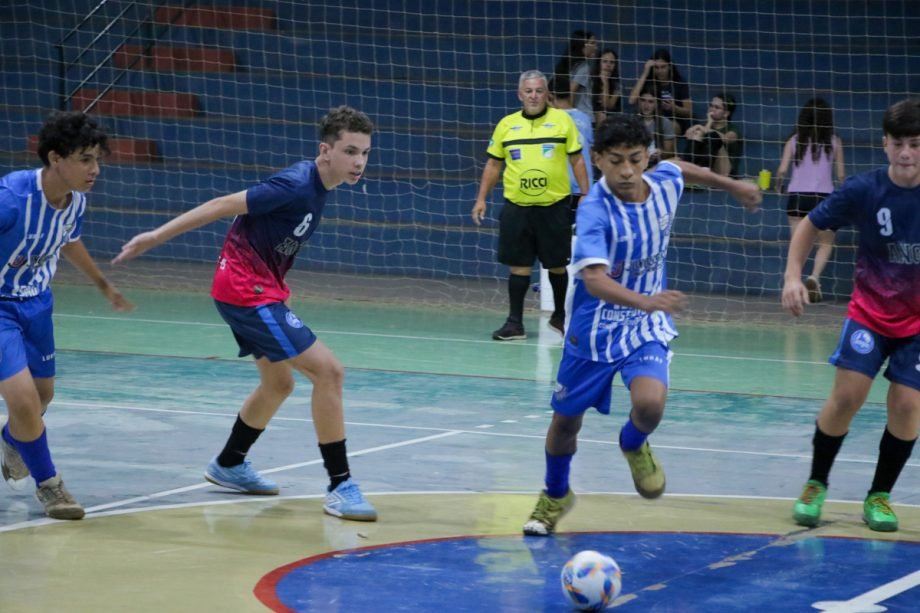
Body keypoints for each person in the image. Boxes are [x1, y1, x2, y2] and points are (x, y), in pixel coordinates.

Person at [113, 106, 378, 522]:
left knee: (278, 383)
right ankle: (340, 485)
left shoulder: (322, 186)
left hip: (259, 289)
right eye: (350, 151)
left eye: (364, 152)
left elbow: (269, 244)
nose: (359, 161)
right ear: (325, 151)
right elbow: (223, 204)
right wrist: (155, 236)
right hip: (245, 291)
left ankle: (230, 463)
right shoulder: (293, 184)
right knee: (329, 372)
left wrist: (281, 293)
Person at [522, 115, 761, 536]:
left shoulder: (663, 180)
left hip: (645, 327)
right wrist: (648, 300)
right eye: (616, 161)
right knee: (565, 423)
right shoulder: (595, 210)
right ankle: (556, 494)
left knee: (650, 405)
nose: (627, 170)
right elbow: (595, 281)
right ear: (597, 160)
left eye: (635, 159)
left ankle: (633, 443)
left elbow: (682, 167)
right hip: (594, 331)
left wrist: (734, 185)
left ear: (647, 157)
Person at [782, 98, 920, 533]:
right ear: (884, 143)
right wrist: (792, 277)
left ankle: (879, 496)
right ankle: (816, 483)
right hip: (871, 314)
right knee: (847, 398)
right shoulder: (864, 189)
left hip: (917, 326)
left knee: (907, 404)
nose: (906, 154)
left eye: (916, 145)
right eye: (899, 144)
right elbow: (808, 224)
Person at [0, 110, 134, 520]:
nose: (95, 169)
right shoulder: (11, 201)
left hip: (37, 303)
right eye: (85, 159)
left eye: (97, 160)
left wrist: (102, 284)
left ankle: (13, 440)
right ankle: (51, 487)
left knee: (42, 398)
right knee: (22, 399)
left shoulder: (74, 201)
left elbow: (67, 241)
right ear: (56, 159)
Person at [472, 70, 589, 341]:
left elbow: (577, 160)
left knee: (557, 266)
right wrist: (481, 198)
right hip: (517, 207)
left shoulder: (563, 122)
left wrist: (586, 194)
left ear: (547, 94)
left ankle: (559, 317)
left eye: (539, 91)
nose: (534, 95)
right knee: (518, 266)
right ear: (519, 94)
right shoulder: (506, 125)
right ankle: (515, 324)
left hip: (554, 207)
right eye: (529, 91)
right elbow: (493, 164)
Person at [775, 98, 846, 303]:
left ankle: (794, 281)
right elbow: (841, 174)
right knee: (824, 243)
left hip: (797, 196)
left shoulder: (794, 140)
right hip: (824, 197)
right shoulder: (834, 141)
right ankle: (814, 277)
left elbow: (781, 171)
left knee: (798, 241)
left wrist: (779, 185)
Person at [628, 48, 693, 136]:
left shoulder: (679, 83)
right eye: (656, 67)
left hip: (672, 120)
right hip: (649, 119)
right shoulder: (649, 82)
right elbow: (632, 100)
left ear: (669, 66)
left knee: (669, 126)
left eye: (663, 67)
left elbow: (689, 112)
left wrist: (673, 108)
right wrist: (645, 72)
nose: (659, 71)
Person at [551, 75, 594, 198]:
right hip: (584, 186)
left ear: (550, 96)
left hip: (559, 187)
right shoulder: (585, 119)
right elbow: (590, 152)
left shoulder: (551, 121)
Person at [684, 93, 741, 177]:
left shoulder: (733, 130)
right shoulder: (703, 127)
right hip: (705, 168)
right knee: (698, 134)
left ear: (726, 114)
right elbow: (687, 135)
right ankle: (688, 172)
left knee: (713, 136)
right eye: (711, 105)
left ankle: (703, 173)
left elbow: (725, 138)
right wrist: (700, 127)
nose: (711, 109)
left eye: (717, 107)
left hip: (724, 173)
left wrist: (702, 127)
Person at [553, 31, 598, 120]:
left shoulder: (564, 65)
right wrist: (571, 116)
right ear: (582, 45)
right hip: (582, 117)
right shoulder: (583, 67)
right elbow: (571, 92)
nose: (596, 47)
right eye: (592, 43)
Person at [636, 85, 676, 161]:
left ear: (657, 103)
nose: (646, 105)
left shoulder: (665, 123)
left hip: (657, 163)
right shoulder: (632, 122)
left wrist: (661, 152)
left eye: (651, 102)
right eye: (643, 100)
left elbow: (670, 151)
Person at [592, 48, 622, 125]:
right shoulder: (591, 80)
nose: (608, 65)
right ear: (599, 63)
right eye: (605, 61)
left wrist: (605, 84)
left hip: (611, 119)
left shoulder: (617, 84)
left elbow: (607, 106)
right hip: (591, 116)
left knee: (602, 115)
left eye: (612, 62)